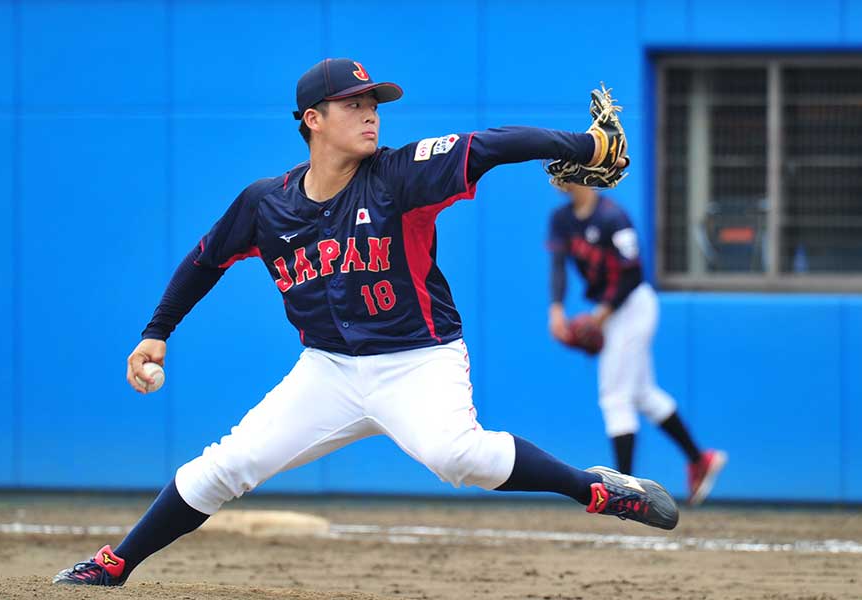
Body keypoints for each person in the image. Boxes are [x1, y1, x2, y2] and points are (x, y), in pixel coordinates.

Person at [53, 58, 678, 587]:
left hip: (419, 360)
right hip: (326, 371)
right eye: (351, 104)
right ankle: (114, 565)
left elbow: (489, 145)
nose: (370, 112)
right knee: (224, 466)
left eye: (373, 101)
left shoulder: (399, 175)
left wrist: (585, 145)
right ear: (312, 120)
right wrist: (156, 332)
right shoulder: (265, 204)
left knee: (459, 459)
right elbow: (204, 260)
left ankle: (595, 488)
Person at [546, 182, 727, 505]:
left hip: (631, 307)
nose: (556, 177)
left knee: (615, 397)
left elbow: (632, 275)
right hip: (610, 310)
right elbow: (558, 266)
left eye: (564, 169)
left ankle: (625, 492)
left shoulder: (613, 217)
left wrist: (600, 316)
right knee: (642, 394)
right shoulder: (562, 218)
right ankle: (700, 459)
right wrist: (557, 309)